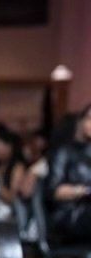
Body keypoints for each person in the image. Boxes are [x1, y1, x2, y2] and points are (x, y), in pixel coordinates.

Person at [44, 102, 91, 242]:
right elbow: (53, 191)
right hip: (70, 213)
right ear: (81, 121)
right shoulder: (64, 152)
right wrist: (85, 191)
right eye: (89, 118)